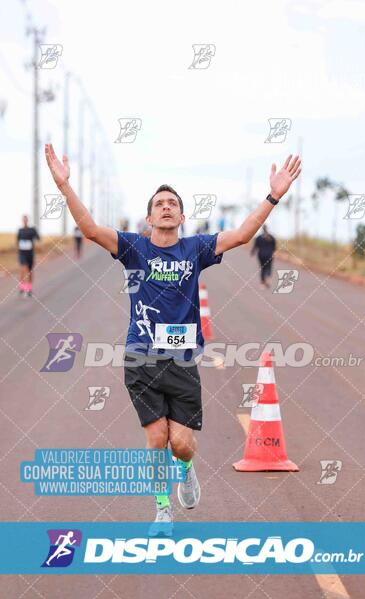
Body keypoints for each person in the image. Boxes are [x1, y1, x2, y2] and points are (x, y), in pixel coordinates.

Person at [45, 143, 301, 534]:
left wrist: (273, 196)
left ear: (181, 216)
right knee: (156, 437)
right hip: (140, 358)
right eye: (159, 203)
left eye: (172, 203)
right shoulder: (134, 247)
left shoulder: (195, 248)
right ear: (149, 217)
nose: (166, 207)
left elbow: (243, 234)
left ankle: (186, 470)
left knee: (180, 444)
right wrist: (65, 188)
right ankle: (162, 509)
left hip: (182, 362)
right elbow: (90, 229)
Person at [17, 215, 40, 297]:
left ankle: (29, 289)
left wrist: (36, 235)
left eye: (26, 219)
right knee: (24, 269)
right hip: (22, 253)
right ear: (22, 221)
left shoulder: (32, 230)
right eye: (24, 220)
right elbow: (17, 241)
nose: (25, 221)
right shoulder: (20, 230)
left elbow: (38, 238)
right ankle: (23, 288)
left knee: (30, 271)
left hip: (30, 254)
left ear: (28, 220)